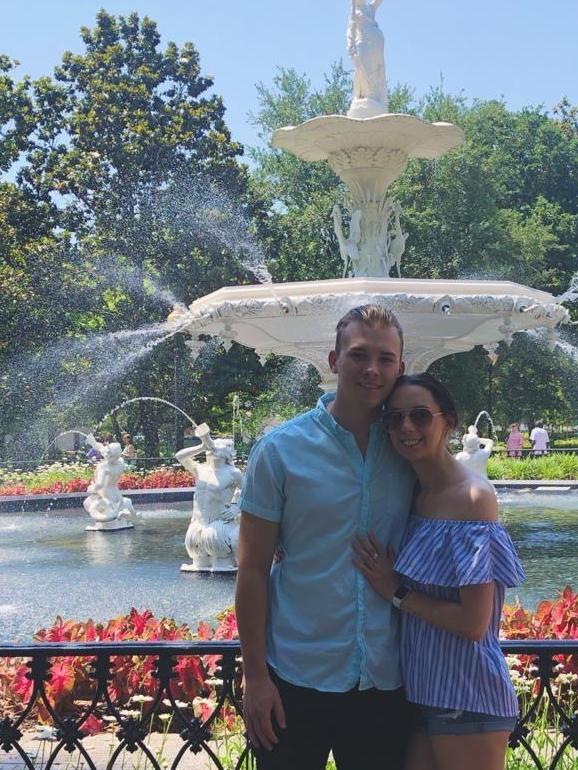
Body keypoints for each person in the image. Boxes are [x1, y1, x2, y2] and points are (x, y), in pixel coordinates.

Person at [236, 305, 414, 770]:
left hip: (384, 680)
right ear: (334, 361)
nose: (372, 369)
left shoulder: (410, 449)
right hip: (294, 677)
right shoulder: (279, 450)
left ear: (400, 367)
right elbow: (251, 568)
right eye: (359, 355)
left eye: (385, 358)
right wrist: (255, 677)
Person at [353, 373, 525, 770]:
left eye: (420, 416)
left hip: (466, 694)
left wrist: (394, 591)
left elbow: (473, 623)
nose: (406, 427)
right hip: (424, 693)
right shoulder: (413, 493)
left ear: (448, 421)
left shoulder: (472, 498)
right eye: (394, 418)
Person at [175, 423, 243, 571]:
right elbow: (179, 456)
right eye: (213, 445)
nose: (213, 447)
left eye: (218, 446)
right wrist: (202, 446)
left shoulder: (233, 473)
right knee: (198, 568)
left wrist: (237, 508)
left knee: (221, 568)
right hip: (197, 525)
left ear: (227, 452)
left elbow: (250, 491)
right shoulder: (200, 469)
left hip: (219, 527)